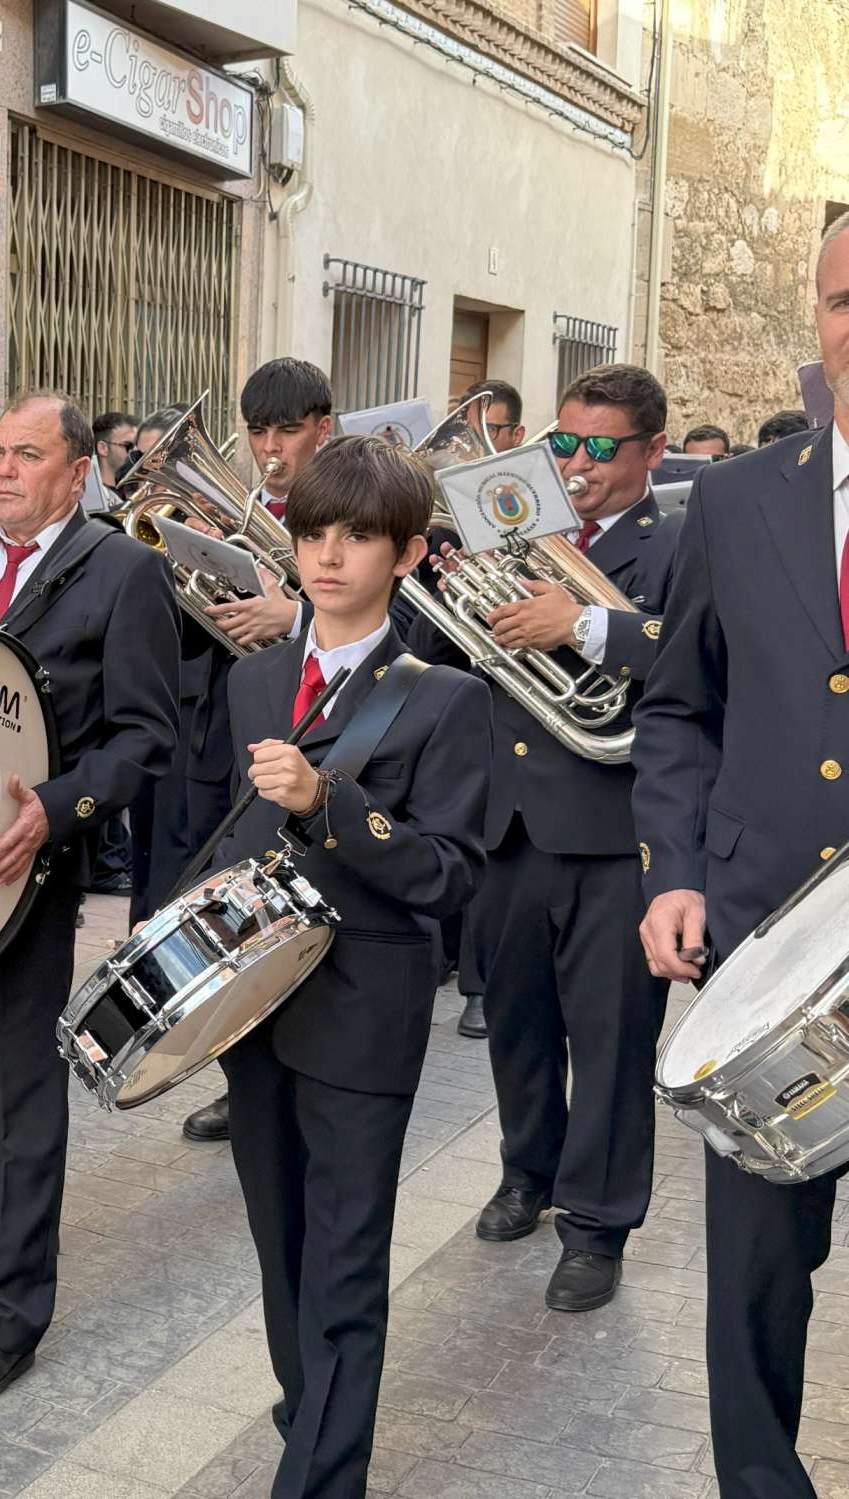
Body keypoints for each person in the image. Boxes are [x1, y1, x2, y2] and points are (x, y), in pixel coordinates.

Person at [0, 391, 180, 1399]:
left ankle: (10, 1310)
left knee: (18, 1084)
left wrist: (57, 810)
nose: (2, 470)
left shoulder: (123, 569)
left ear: (77, 471)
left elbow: (145, 735)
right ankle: (7, 1213)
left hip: (28, 864)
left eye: (26, 454)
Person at [222, 435, 489, 1499]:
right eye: (313, 533)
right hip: (252, 1004)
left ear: (408, 553)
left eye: (359, 536)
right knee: (279, 1243)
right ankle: (310, 1415)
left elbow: (450, 873)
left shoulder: (445, 697)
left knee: (342, 1260)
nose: (329, 556)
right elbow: (223, 834)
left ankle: (321, 1474)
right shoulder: (252, 678)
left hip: (364, 1008)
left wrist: (328, 803)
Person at [635, 211, 849, 1499]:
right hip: (763, 957)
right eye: (841, 299)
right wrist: (672, 867)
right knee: (758, 1282)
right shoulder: (730, 498)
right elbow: (677, 707)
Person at [417, 364, 680, 1314]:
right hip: (508, 821)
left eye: (600, 448)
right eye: (563, 442)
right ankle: (525, 1171)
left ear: (652, 451)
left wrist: (585, 625)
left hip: (616, 833)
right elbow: (446, 657)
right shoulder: (512, 526)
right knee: (517, 1022)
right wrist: (437, 583)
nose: (576, 464)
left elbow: (700, 652)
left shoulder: (678, 540)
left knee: (609, 1041)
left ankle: (596, 1224)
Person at [172, 360, 330, 1144]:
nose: (270, 449)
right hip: (224, 741)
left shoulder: (347, 508)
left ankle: (308, 1084)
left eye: (287, 431)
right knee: (229, 921)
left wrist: (291, 619)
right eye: (258, 431)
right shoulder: (235, 512)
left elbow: (397, 626)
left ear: (321, 429)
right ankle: (242, 1085)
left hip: (313, 745)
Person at [445, 378, 528, 1042]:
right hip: (464, 688)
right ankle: (473, 978)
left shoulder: (533, 504)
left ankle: (483, 985)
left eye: (487, 431)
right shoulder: (447, 514)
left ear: (516, 438)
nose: (470, 447)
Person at [93, 410, 140, 489]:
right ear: (102, 448)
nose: (136, 452)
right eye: (128, 446)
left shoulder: (143, 489)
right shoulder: (85, 493)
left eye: (138, 446)